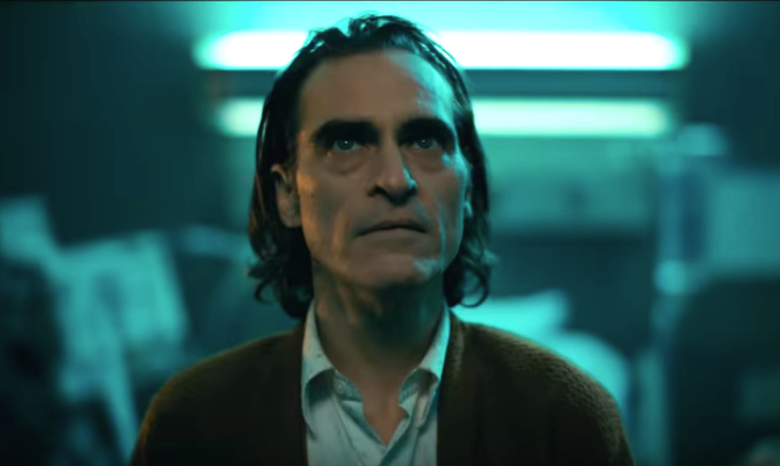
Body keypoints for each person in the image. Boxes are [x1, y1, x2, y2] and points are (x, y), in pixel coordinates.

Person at [131, 14, 634, 466]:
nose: (395, 179)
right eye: (346, 142)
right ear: (288, 195)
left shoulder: (562, 419)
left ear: (466, 189)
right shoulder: (195, 424)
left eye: (424, 140)